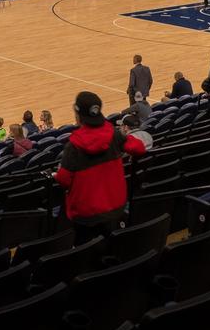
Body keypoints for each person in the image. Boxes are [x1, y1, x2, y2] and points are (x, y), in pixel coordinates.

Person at [55, 92, 146, 244]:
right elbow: (139, 148)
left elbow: (63, 180)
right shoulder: (114, 135)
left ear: (78, 115)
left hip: (85, 215)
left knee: (86, 251)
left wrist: (55, 175)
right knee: (112, 245)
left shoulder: (73, 147)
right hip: (115, 207)